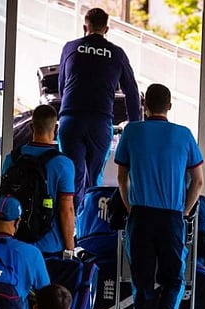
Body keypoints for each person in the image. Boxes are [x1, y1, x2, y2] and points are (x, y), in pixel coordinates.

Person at [115, 83, 204, 309]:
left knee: (142, 285)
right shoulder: (184, 135)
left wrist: (131, 208)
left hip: (140, 217)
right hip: (171, 218)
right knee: (174, 280)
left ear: (145, 105)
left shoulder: (132, 131)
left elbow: (122, 176)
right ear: (169, 106)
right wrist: (185, 211)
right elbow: (198, 182)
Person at [58, 7, 142, 208]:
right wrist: (135, 125)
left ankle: (71, 229)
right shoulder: (117, 53)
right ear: (107, 29)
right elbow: (132, 91)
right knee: (94, 178)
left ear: (85, 27)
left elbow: (61, 85)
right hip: (100, 122)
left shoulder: (70, 47)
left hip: (71, 119)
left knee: (72, 177)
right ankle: (88, 227)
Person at [2, 104, 76, 258]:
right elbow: (66, 209)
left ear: (31, 126)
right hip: (50, 247)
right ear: (55, 129)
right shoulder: (63, 164)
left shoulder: (12, 159)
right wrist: (70, 248)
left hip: (16, 244)